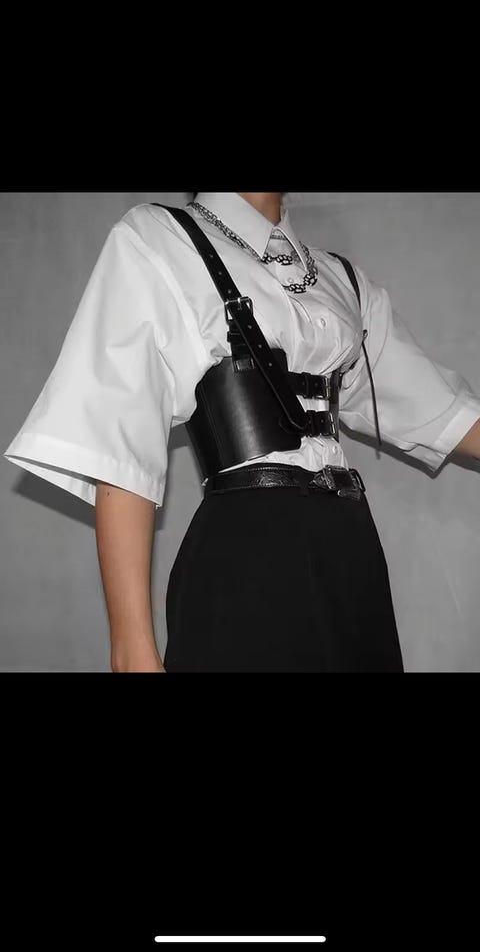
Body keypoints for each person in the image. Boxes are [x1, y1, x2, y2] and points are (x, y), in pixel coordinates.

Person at [4, 192, 480, 672]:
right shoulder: (161, 239)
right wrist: (133, 653)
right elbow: (120, 442)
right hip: (246, 555)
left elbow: (444, 412)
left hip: (350, 553)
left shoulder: (342, 280)